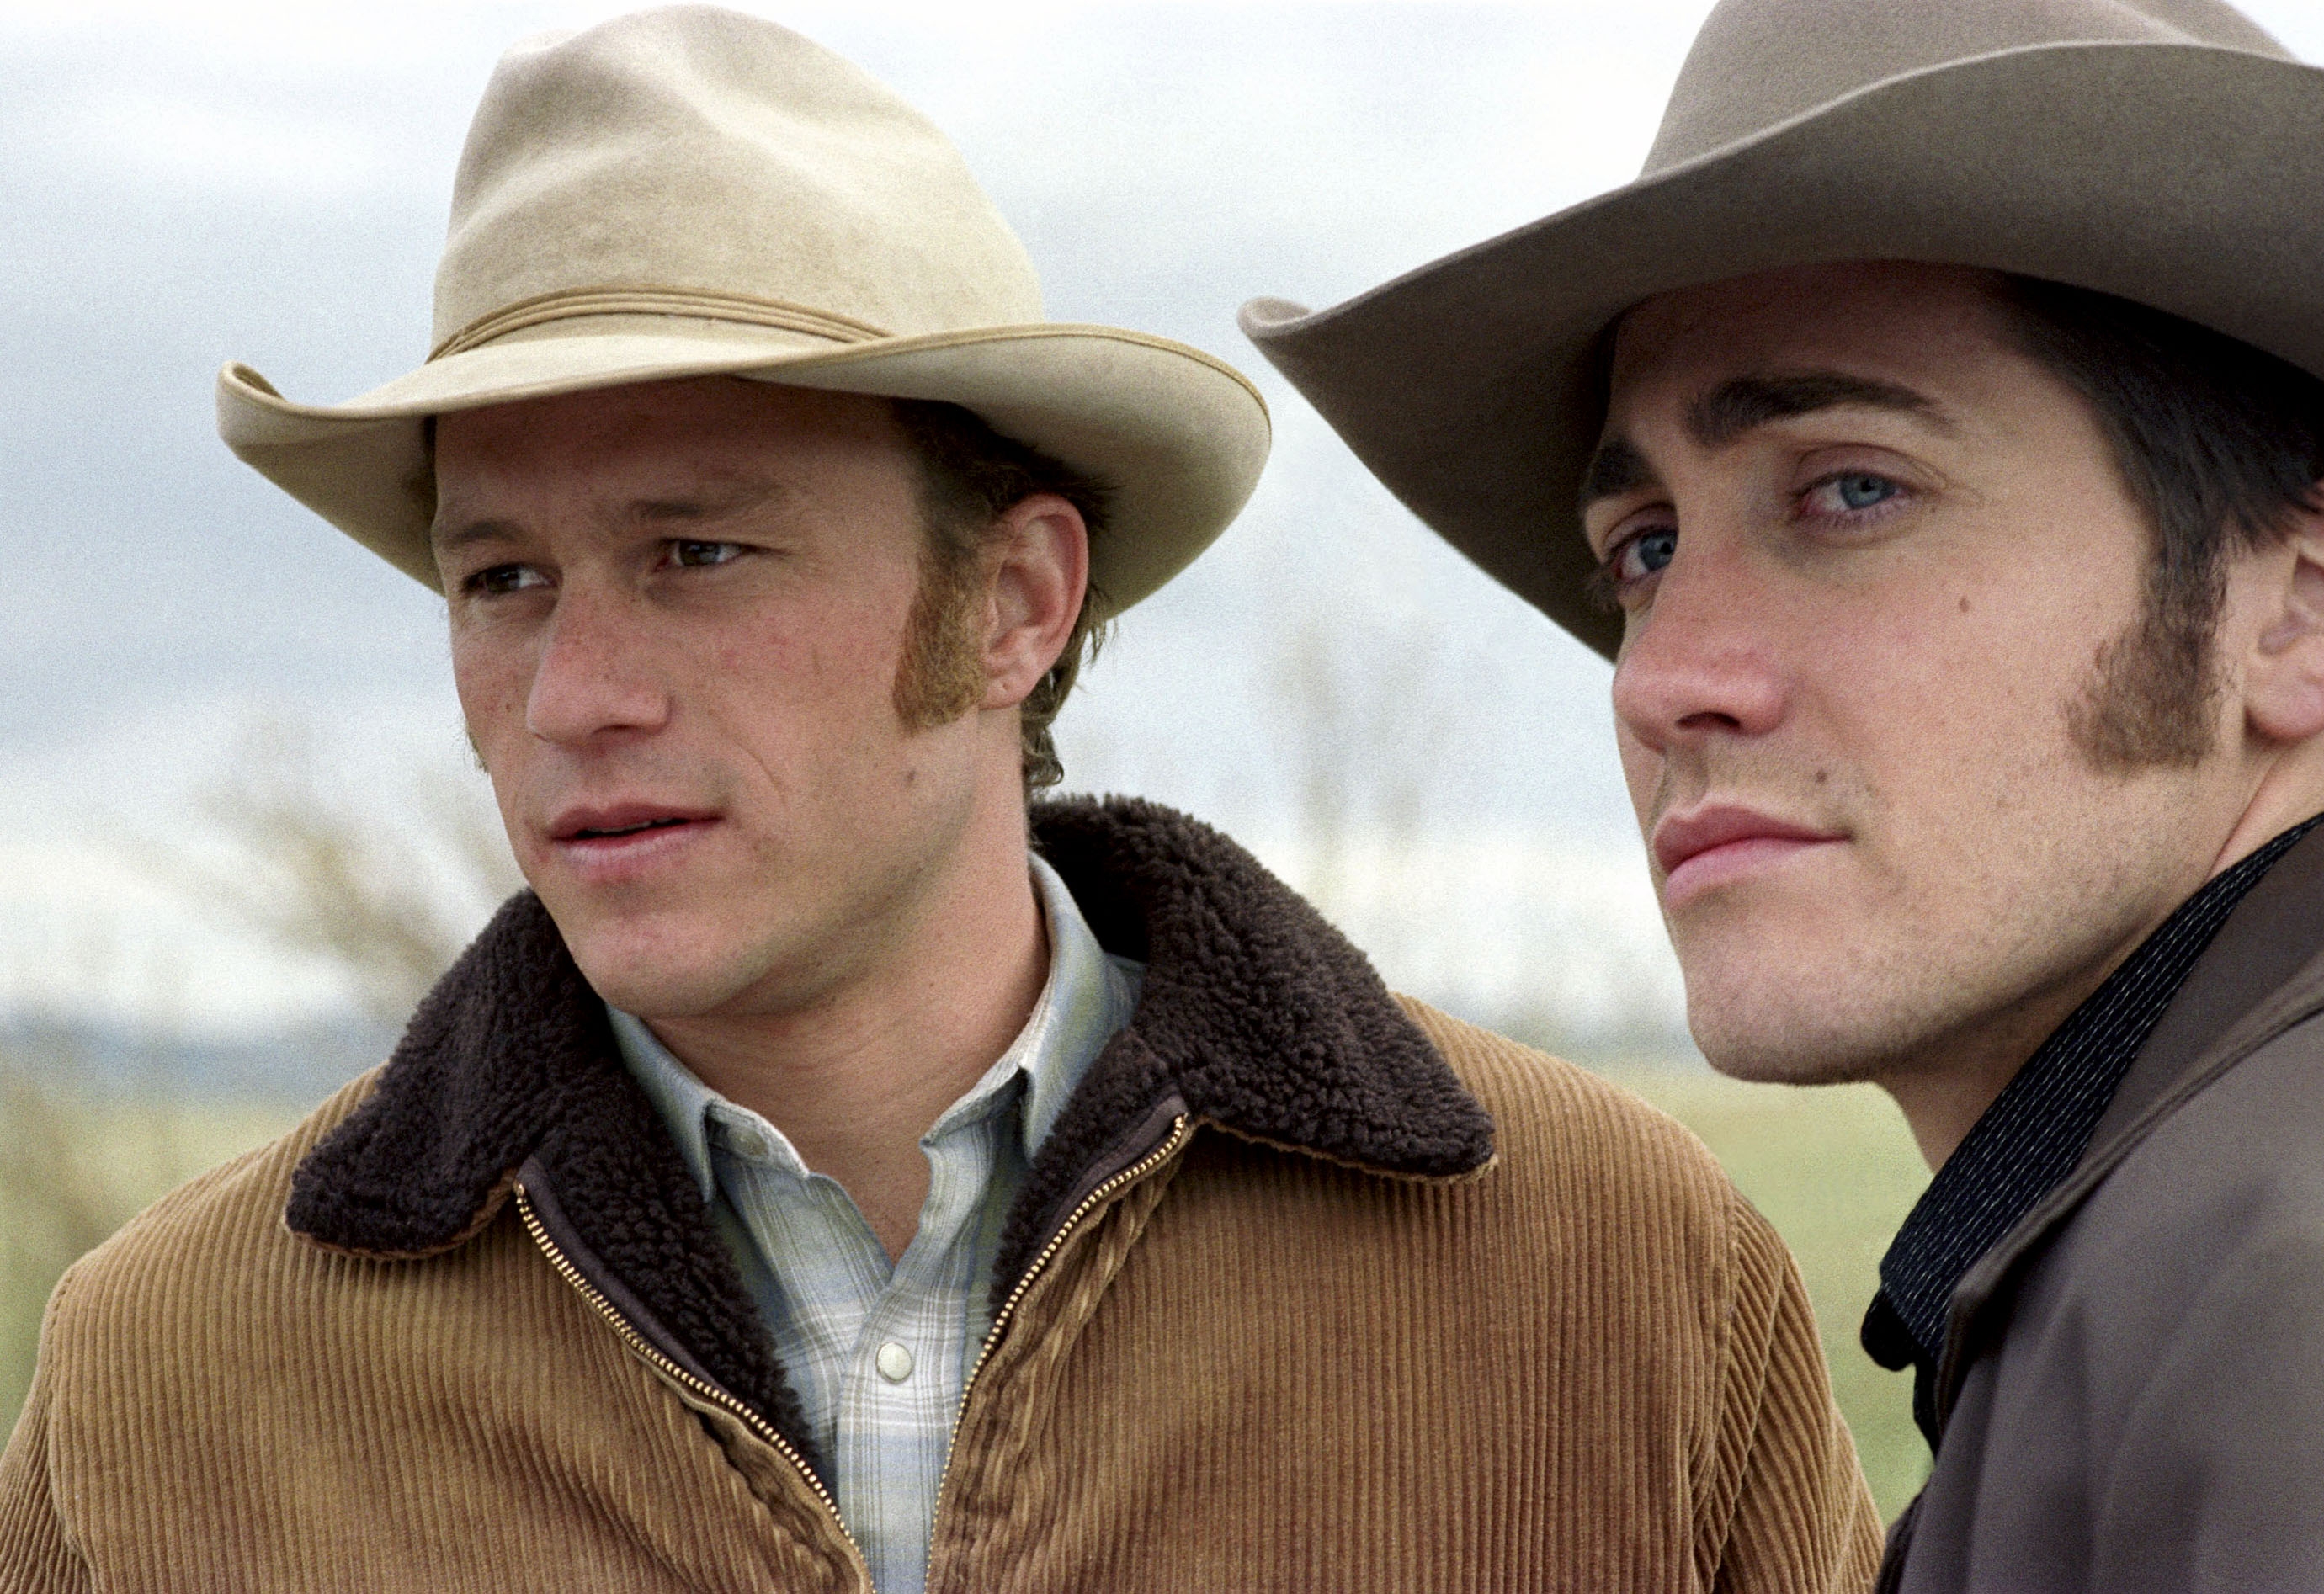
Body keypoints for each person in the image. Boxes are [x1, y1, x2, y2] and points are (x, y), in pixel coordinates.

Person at [0, 8, 1883, 1591]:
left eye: (699, 551)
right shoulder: (165, 1380)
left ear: (1015, 603)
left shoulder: (1613, 1277)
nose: (574, 694)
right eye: (501, 579)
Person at [1246, 1, 2324, 1589]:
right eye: (1646, 550)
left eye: (1851, 489)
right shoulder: (2192, 1229)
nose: (1662, 677)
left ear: (2303, 599)